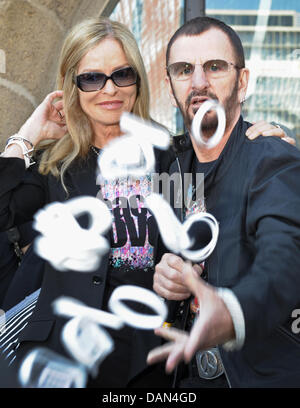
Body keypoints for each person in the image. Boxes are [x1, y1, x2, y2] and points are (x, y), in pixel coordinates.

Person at [0, 15, 293, 388]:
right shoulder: (53, 168)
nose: (109, 89)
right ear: (72, 86)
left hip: (142, 366)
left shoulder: (172, 159)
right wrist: (27, 136)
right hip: (58, 361)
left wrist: (268, 141)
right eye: (91, 77)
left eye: (121, 74)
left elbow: (230, 170)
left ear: (137, 81)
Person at [147, 16, 300, 388]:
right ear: (171, 87)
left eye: (214, 67)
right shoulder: (170, 167)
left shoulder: (270, 157)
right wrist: (166, 274)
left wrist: (234, 311)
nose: (198, 82)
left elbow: (284, 255)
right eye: (184, 70)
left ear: (242, 81)